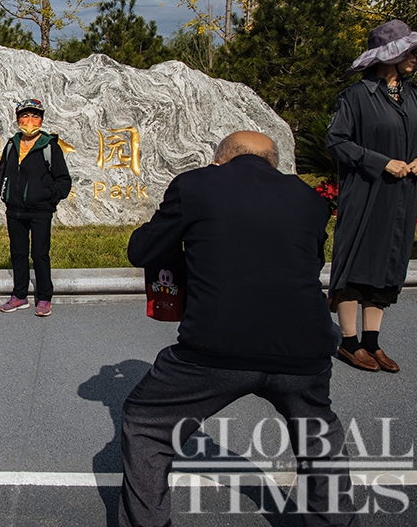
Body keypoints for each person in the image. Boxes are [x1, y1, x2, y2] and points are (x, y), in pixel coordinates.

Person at [120, 132, 356, 526]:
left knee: (147, 423)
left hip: (215, 348)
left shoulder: (196, 185)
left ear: (218, 160)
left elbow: (143, 251)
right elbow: (310, 264)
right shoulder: (309, 198)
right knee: (318, 435)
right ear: (274, 163)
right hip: (304, 350)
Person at [325, 19, 417, 373]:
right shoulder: (356, 96)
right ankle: (349, 342)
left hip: (401, 197)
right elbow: (336, 141)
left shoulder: (416, 97)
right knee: (356, 259)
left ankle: (372, 342)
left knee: (387, 261)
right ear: (388, 55)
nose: (416, 56)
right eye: (409, 51)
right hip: (366, 192)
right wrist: (382, 163)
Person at [0, 99, 72, 317]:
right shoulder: (12, 145)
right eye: (25, 116)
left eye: (35, 116)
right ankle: (19, 295)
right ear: (18, 119)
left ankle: (44, 297)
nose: (29, 121)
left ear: (41, 120)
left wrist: (46, 196)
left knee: (39, 254)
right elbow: (1, 172)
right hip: (15, 210)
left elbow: (63, 181)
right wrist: (5, 192)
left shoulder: (49, 146)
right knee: (18, 253)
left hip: (40, 211)